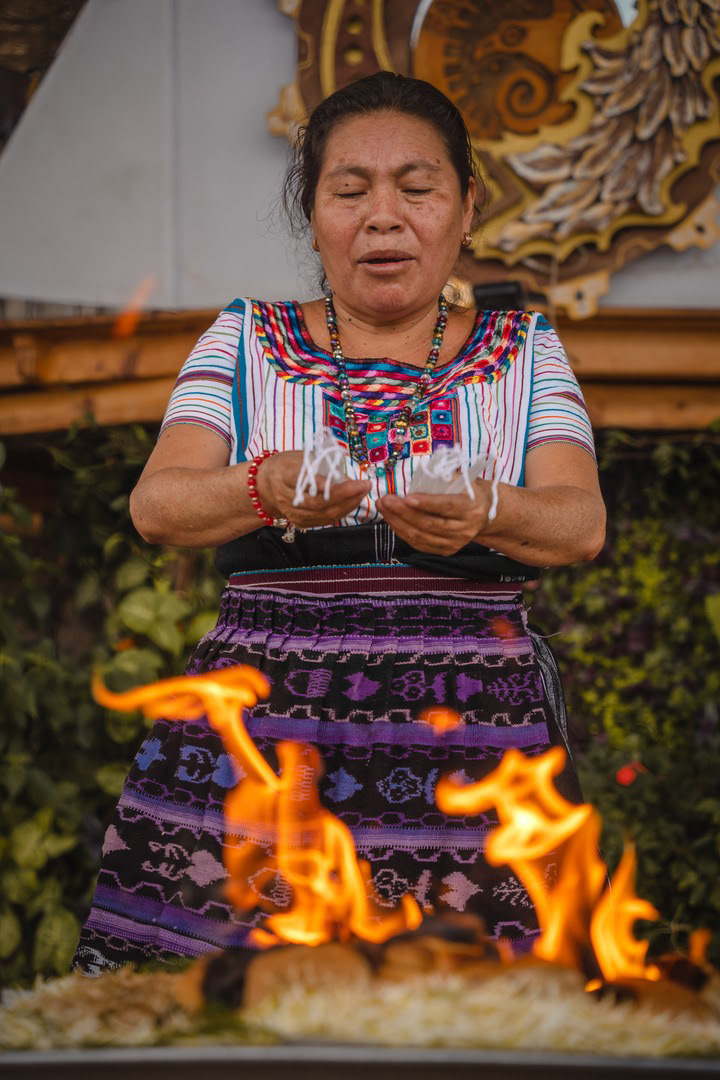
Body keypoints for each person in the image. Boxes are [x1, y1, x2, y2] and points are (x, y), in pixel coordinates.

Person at [73, 72, 605, 974]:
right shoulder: (246, 339)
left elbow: (579, 523)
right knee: (218, 1011)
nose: (384, 217)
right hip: (261, 740)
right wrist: (262, 488)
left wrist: (487, 508)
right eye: (350, 190)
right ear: (312, 212)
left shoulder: (524, 348)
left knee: (475, 1017)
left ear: (466, 207)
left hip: (469, 737)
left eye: (418, 187)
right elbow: (156, 506)